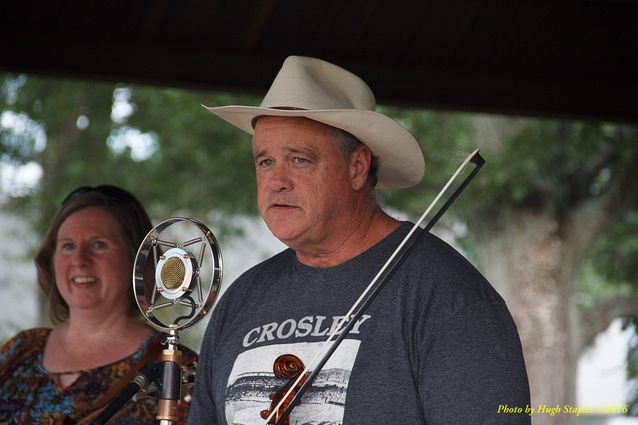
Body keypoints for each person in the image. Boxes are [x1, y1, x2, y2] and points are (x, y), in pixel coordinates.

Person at [188, 56, 530, 424]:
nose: (277, 181)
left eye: (299, 160)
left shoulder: (447, 295)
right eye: (265, 161)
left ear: (357, 167)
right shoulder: (242, 299)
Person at [0, 185, 198, 424]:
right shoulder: (22, 350)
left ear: (137, 259)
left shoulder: (178, 369)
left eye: (98, 245)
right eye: (68, 246)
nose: (80, 260)